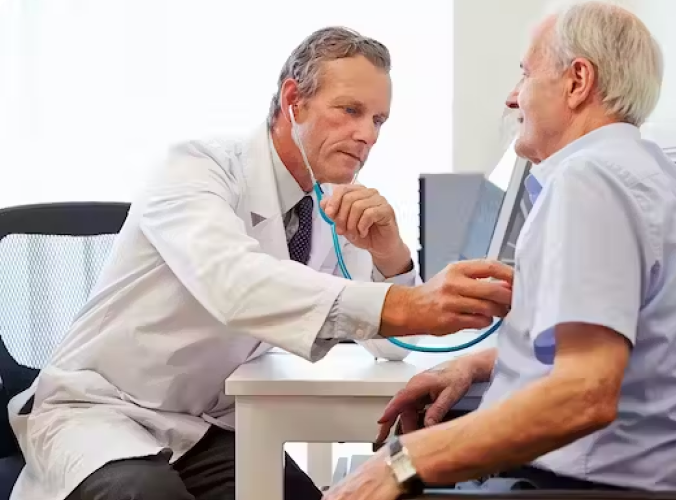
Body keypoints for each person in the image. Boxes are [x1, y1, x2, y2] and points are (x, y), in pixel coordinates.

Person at [7, 27, 514, 500]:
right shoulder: (196, 168)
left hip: (199, 424)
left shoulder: (331, 203)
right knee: (146, 494)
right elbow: (236, 284)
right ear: (294, 101)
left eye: (378, 120)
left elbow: (388, 344)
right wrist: (412, 302)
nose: (367, 135)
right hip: (101, 412)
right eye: (350, 110)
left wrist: (390, 254)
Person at [324, 2, 676, 499]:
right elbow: (596, 354)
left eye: (525, 74)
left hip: (567, 486)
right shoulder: (638, 167)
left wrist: (402, 465)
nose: (512, 98)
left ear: (577, 81)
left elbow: (584, 395)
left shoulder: (591, 183)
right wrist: (479, 363)